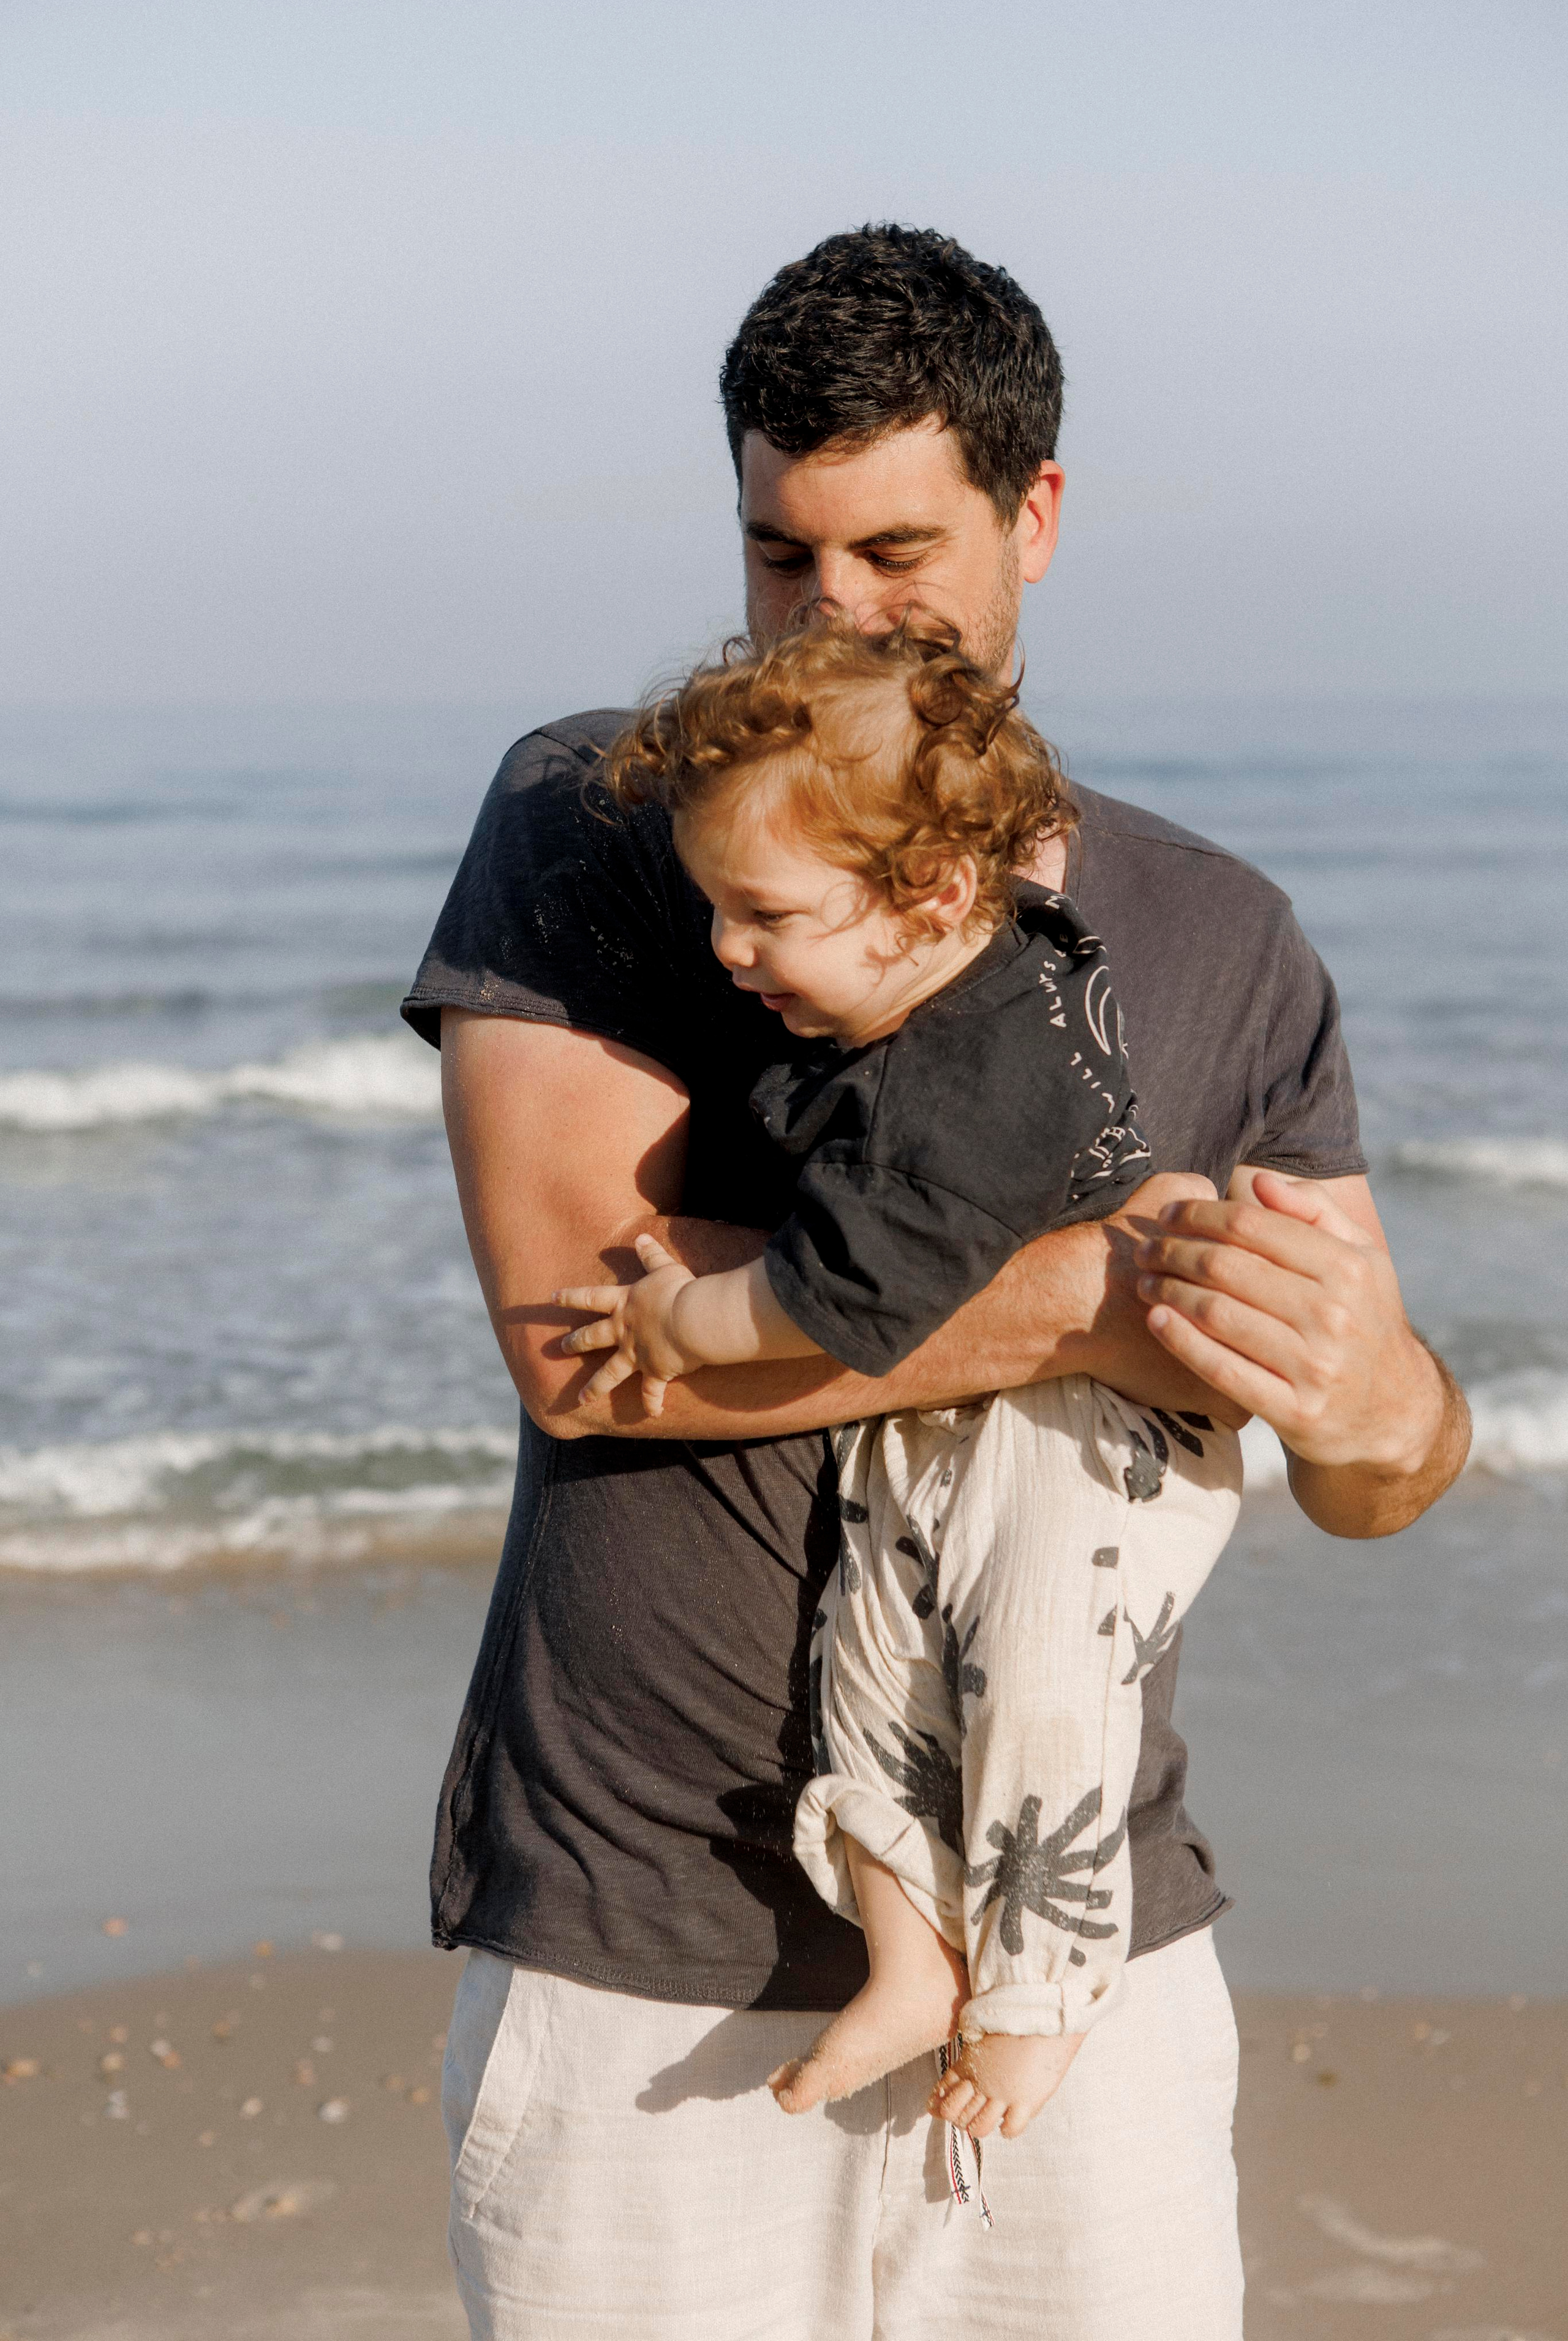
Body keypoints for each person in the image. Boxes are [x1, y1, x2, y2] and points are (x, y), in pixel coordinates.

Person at [404, 226, 1470, 2340]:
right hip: (650, 1953)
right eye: (778, 555)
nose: (835, 612)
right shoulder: (609, 821)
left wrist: (1378, 1403)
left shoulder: (1222, 933)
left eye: (896, 549)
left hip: (1088, 1944)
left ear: (1037, 515)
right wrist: (1107, 1299)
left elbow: (1381, 1466)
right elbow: (585, 1350)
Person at [556, 618, 1242, 2172]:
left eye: (763, 915)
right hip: (969, 1404)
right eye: (715, 910)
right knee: (866, 1656)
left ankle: (1042, 1992)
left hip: (1100, 1430)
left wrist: (681, 1318)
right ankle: (912, 1952)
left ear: (929, 899)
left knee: (1035, 1666)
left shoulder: (980, 1066)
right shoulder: (922, 978)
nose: (728, 952)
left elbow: (853, 1290)